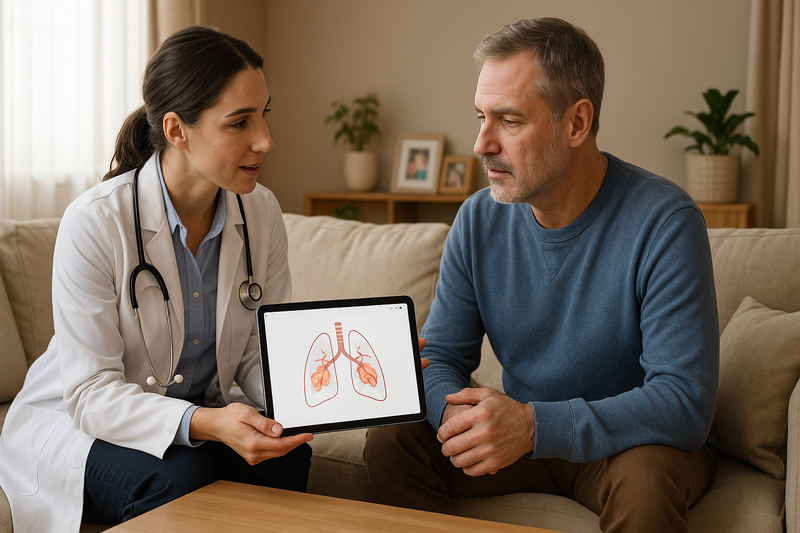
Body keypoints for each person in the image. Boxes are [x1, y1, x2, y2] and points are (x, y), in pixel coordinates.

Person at [365, 17, 719, 533]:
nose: (482, 143)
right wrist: (458, 420)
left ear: (576, 123)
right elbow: (439, 355)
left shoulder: (665, 222)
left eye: (508, 121)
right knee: (394, 437)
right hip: (522, 440)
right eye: (481, 117)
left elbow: (683, 401)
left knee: (646, 480)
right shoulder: (479, 218)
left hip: (629, 444)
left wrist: (534, 427)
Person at [0, 26, 313, 532]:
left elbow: (259, 352)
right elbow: (89, 394)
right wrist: (209, 423)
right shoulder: (96, 222)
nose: (266, 140)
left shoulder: (260, 210)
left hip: (188, 415)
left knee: (285, 459)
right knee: (178, 478)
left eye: (264, 114)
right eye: (239, 122)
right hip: (76, 425)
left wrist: (331, 386)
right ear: (176, 130)